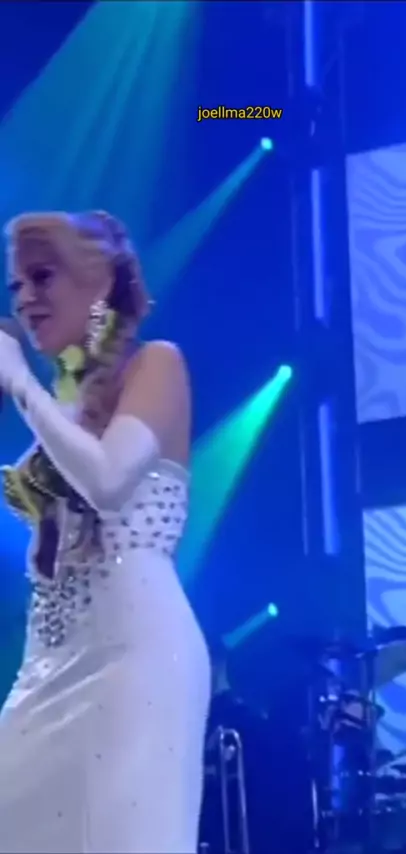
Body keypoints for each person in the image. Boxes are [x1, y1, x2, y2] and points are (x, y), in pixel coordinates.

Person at [0, 210, 211, 854]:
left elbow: (110, 479)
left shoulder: (157, 365)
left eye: (41, 277)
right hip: (45, 665)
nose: (25, 299)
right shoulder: (64, 403)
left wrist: (19, 382)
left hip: (135, 658)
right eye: (15, 286)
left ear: (97, 283)